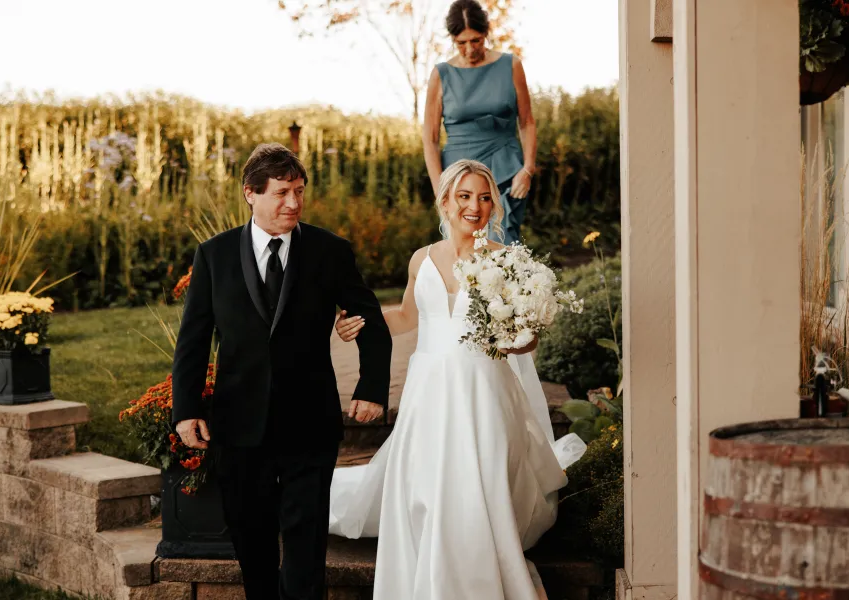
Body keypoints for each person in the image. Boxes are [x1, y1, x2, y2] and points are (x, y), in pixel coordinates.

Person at [328, 160, 586, 600]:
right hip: (428, 387)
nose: (476, 206)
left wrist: (521, 342)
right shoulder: (421, 259)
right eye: (465, 196)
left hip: (482, 388)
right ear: (445, 202)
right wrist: (362, 324)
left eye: (485, 197)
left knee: (475, 482)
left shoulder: (507, 262)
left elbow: (526, 339)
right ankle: (426, 574)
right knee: (426, 481)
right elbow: (409, 316)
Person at [172, 142, 393, 600]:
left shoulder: (330, 251)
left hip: (309, 419)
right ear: (250, 194)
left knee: (305, 535)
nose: (293, 203)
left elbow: (368, 318)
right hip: (239, 422)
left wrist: (371, 387)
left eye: (298, 191)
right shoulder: (213, 255)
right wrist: (186, 408)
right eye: (281, 193)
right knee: (250, 534)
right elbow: (193, 340)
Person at [423, 0, 537, 246]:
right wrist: (439, 191)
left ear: (486, 33)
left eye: (476, 40)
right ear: (453, 40)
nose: (469, 49)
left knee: (502, 249)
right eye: (461, 43)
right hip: (458, 178)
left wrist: (527, 169)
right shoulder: (441, 74)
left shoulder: (511, 65)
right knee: (461, 254)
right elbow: (430, 139)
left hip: (505, 172)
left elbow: (527, 122)